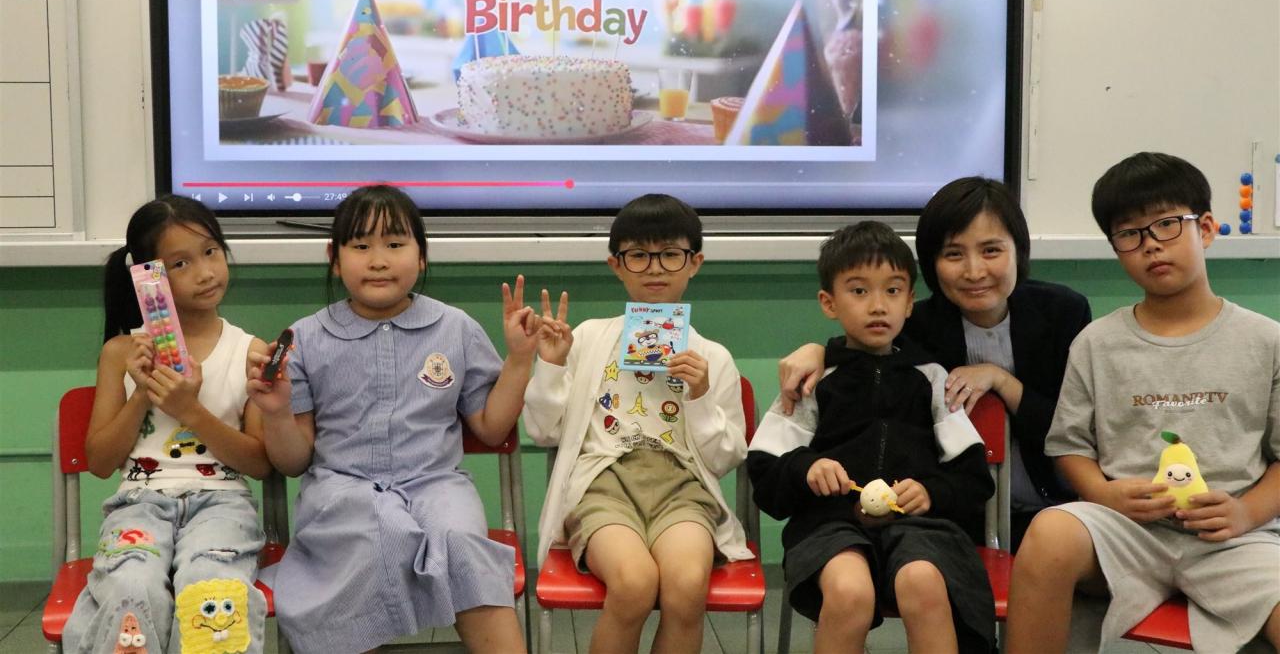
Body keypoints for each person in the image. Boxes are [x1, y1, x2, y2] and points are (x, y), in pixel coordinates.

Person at [247, 184, 540, 654]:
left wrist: (520, 361)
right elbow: (292, 462)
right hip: (343, 491)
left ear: (421, 257)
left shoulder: (456, 328)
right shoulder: (305, 338)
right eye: (361, 246)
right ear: (335, 259)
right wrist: (277, 411)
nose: (379, 260)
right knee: (379, 532)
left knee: (461, 540)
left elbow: (490, 428)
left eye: (395, 244)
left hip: (436, 483)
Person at [1007, 152, 1280, 653]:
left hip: (1237, 537)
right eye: (1129, 234)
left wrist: (1245, 513)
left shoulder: (1266, 341)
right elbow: (1069, 446)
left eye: (1167, 224)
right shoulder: (1096, 343)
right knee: (1049, 534)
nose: (1151, 244)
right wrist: (1103, 494)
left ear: (1207, 229)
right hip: (1125, 530)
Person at [776, 177, 1091, 550]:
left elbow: (1075, 428)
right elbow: (866, 351)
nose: (974, 271)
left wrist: (1001, 381)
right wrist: (818, 350)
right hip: (956, 517)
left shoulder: (1062, 312)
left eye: (991, 250)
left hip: (1057, 505)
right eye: (954, 254)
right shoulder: (918, 326)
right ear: (931, 263)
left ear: (1018, 250)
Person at [748, 221, 995, 654]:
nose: (878, 306)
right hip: (829, 527)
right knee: (849, 591)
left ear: (910, 302)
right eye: (859, 291)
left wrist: (931, 492)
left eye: (893, 290)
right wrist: (807, 468)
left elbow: (973, 478)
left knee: (923, 582)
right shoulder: (812, 380)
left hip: (921, 529)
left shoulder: (932, 380)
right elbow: (765, 470)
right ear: (829, 302)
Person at [522, 194, 753, 654]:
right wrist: (550, 365)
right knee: (633, 583)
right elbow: (543, 431)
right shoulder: (588, 337)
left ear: (694, 262)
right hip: (603, 484)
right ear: (616, 265)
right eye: (639, 256)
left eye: (670, 254)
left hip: (683, 488)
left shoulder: (713, 357)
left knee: (687, 586)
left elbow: (724, 459)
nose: (655, 268)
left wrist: (701, 395)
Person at [63, 195, 272, 654]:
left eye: (211, 252)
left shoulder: (250, 352)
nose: (205, 272)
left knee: (210, 586)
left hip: (223, 503)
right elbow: (100, 462)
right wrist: (142, 392)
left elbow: (260, 464)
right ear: (148, 277)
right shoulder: (121, 353)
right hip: (138, 504)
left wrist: (189, 410)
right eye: (181, 263)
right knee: (131, 586)